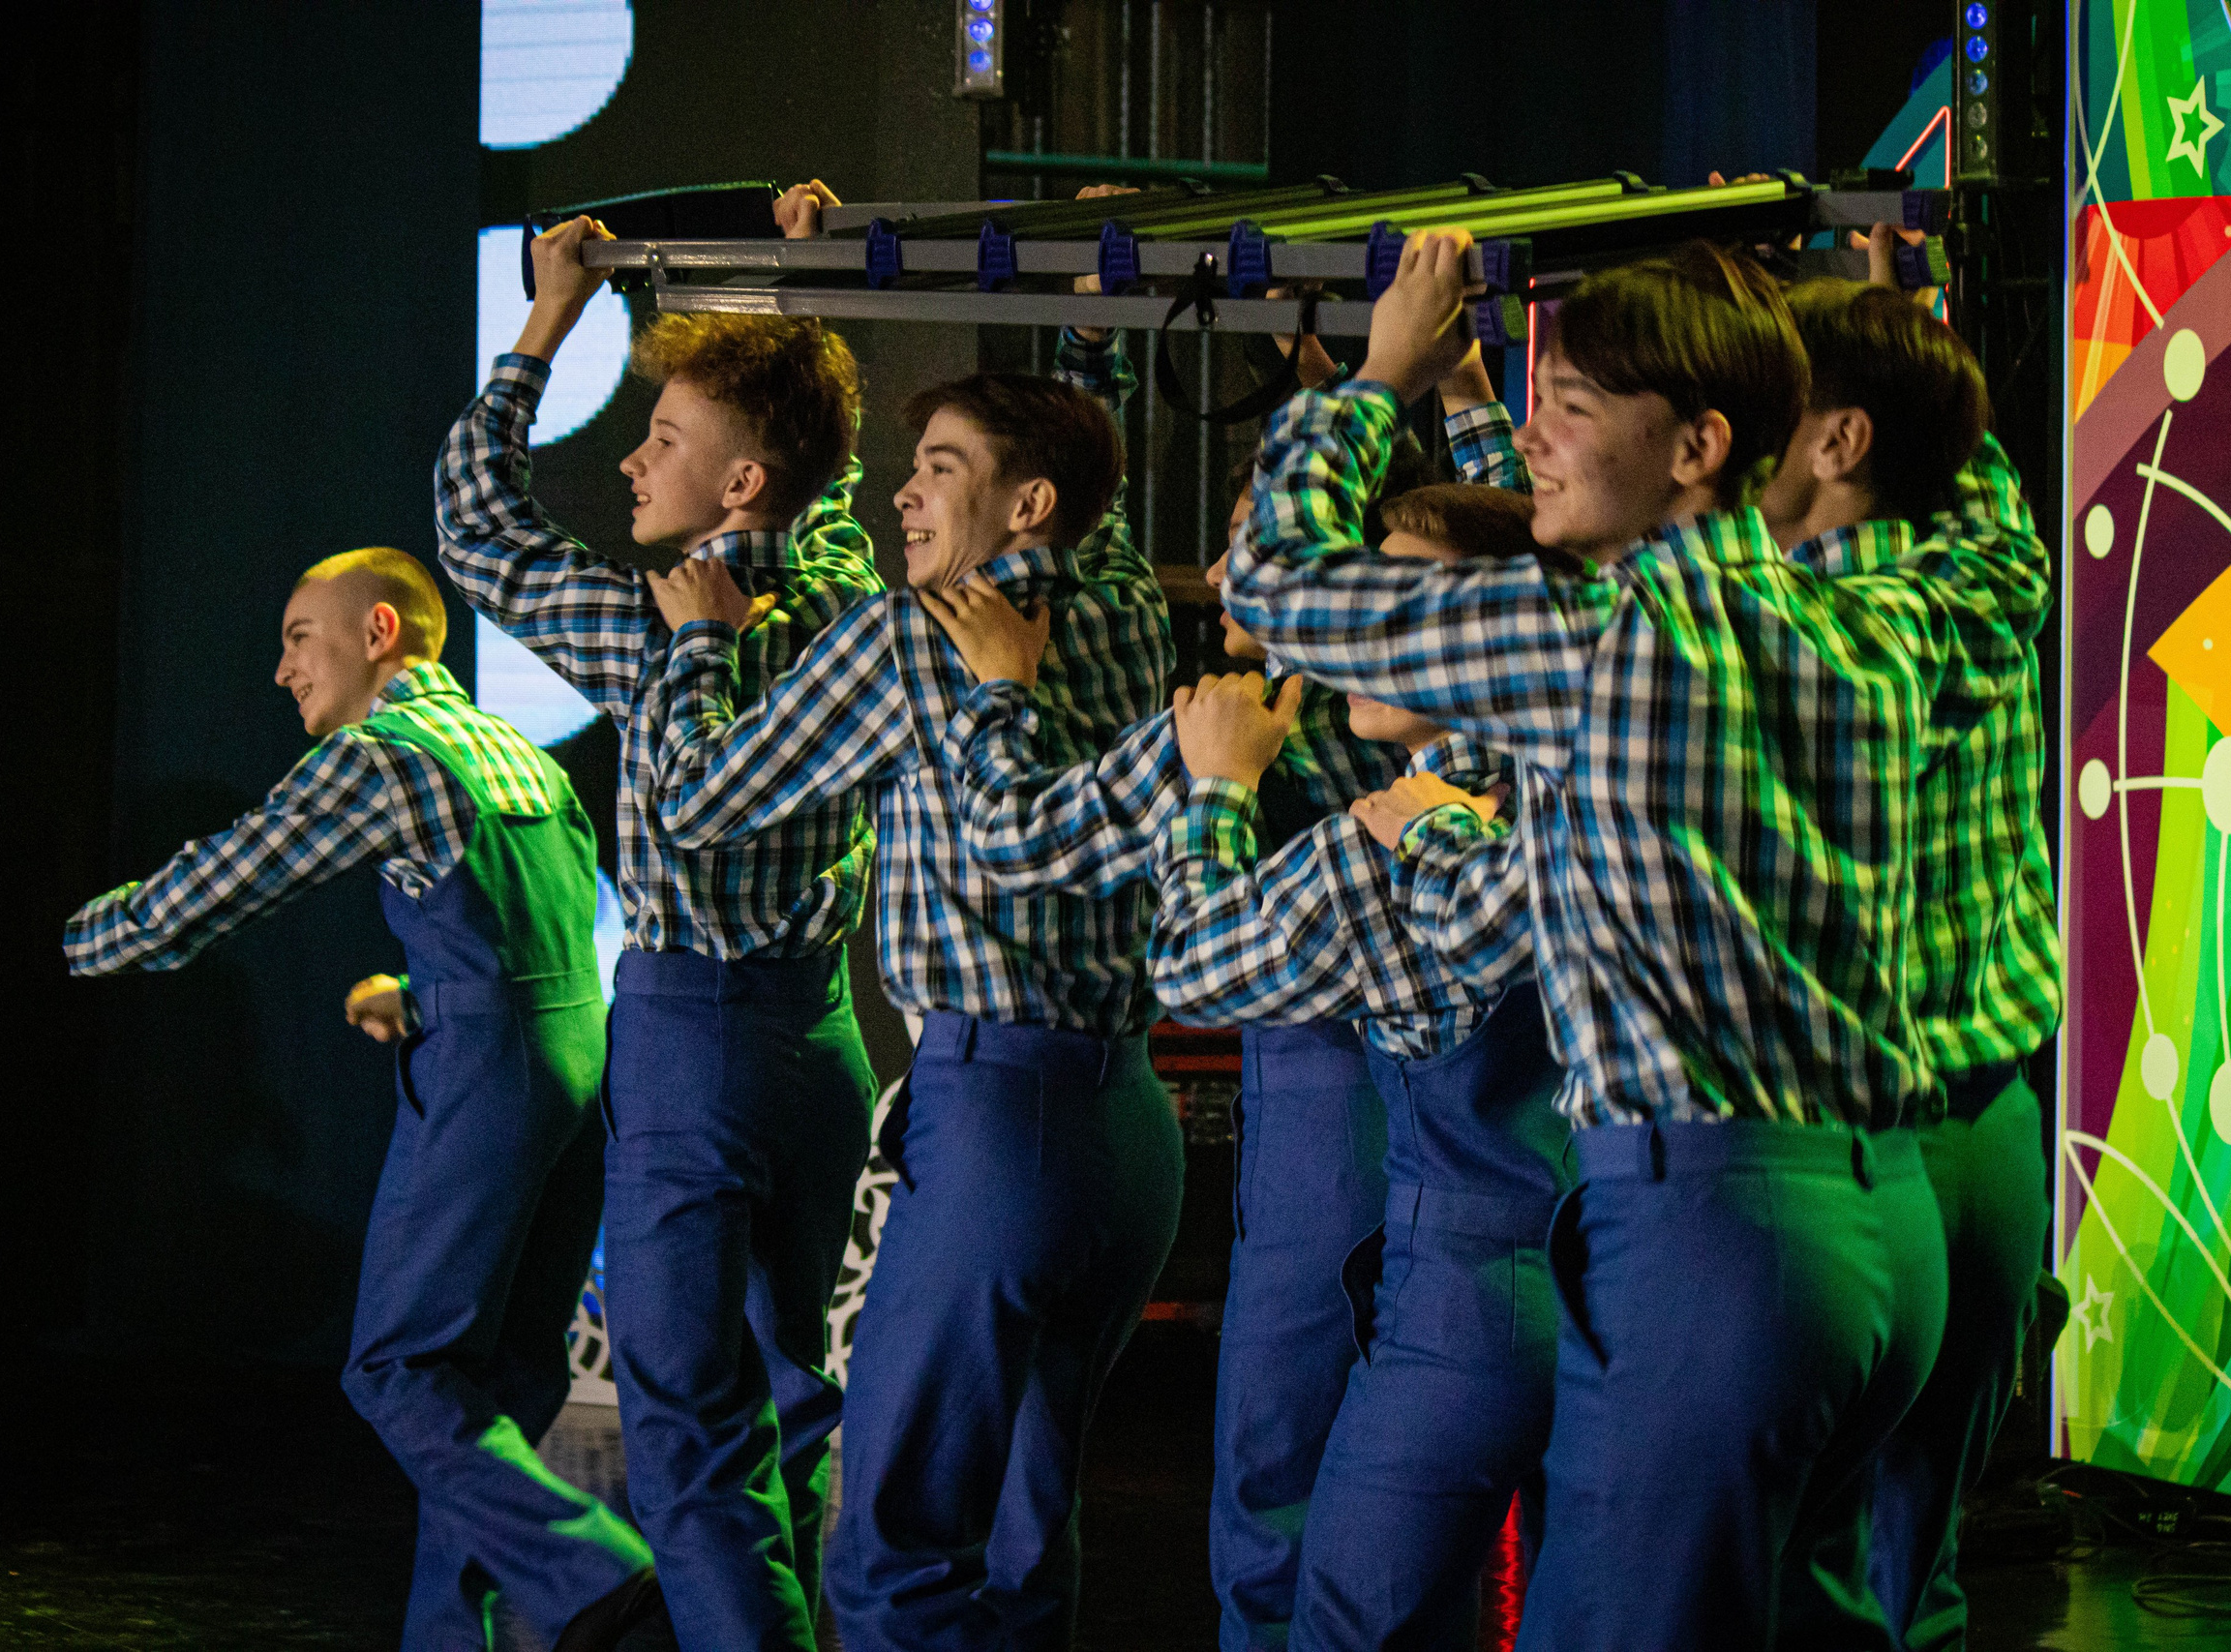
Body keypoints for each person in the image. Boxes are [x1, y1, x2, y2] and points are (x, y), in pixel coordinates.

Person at [1220, 231, 2049, 1650]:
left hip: (1711, 1233)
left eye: (1576, 406)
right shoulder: (1888, 611)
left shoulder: (1594, 639)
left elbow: (1278, 577)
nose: (1535, 435)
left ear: (1702, 444)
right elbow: (1982, 524)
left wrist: (1378, 378)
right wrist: (1893, 335)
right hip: (1882, 1227)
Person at [926, 439, 1512, 1652]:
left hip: (1348, 1114)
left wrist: (999, 693)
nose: (1242, 568)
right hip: (1458, 1161)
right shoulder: (1521, 753)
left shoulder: (1302, 729)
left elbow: (1025, 845)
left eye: (1273, 542)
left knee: (1284, 1483)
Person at [640, 351, 1178, 1652]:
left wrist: (702, 641)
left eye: (939, 467)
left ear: (1030, 501)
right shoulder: (1129, 607)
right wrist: (1087, 356)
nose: (901, 495)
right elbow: (1078, 483)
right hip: (1128, 1128)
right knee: (1023, 1538)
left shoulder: (910, 633)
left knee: (893, 1554)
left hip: (999, 1120)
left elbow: (699, 801)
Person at [63, 550, 663, 1652]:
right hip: (577, 1064)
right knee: (494, 1388)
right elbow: (536, 922)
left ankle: (598, 1571)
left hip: (488, 1077)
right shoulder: (508, 746)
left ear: (378, 631)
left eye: (300, 636)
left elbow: (229, 876)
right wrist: (420, 988)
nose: (283, 668)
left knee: (398, 1368)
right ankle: (448, 1637)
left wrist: (71, 940)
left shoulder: (383, 756)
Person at [434, 205, 882, 1652]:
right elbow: (832, 453)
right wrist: (808, 289)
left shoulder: (664, 622)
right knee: (796, 1397)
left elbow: (474, 525)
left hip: (694, 1044)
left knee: (689, 1428)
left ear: (739, 482)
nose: (630, 459)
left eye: (662, 435)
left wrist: (545, 327)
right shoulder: (857, 589)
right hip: (822, 1039)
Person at [1762, 276, 2055, 1652]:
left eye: (1765, 405)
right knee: (1914, 1569)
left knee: (1802, 1563)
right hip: (1993, 1130)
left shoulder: (1785, 628)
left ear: (1839, 442)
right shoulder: (1988, 578)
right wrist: (1908, 332)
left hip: (1843, 1161)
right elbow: (1970, 464)